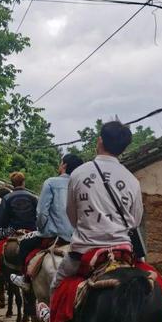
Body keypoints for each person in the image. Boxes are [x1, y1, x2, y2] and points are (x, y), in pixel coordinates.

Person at [50, 120, 143, 292]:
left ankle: (51, 316)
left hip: (84, 252)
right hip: (123, 253)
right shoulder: (132, 180)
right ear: (123, 148)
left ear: (100, 140)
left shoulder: (78, 174)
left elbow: (72, 216)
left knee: (55, 288)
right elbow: (135, 221)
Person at [10, 153, 84, 289]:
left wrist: (42, 229)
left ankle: (25, 279)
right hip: (80, 237)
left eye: (61, 162)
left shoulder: (51, 182)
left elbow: (42, 212)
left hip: (55, 235)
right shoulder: (83, 185)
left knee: (25, 243)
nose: (59, 165)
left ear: (64, 166)